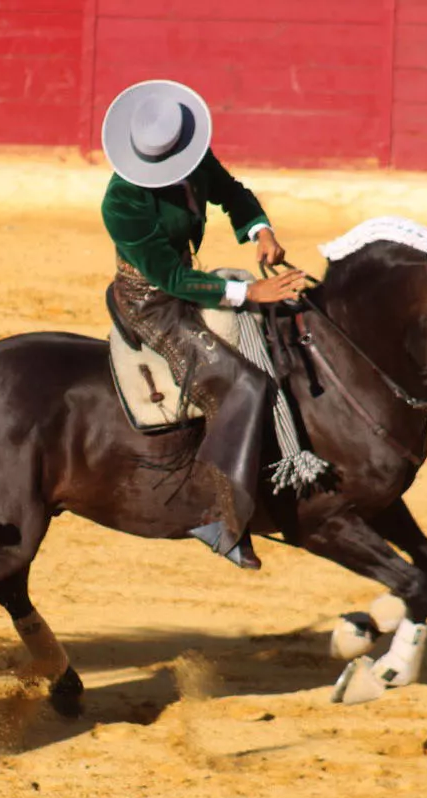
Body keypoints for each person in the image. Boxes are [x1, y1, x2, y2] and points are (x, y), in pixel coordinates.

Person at [100, 79, 307, 569]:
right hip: (152, 302)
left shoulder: (191, 155)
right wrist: (248, 291)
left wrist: (260, 229)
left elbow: (231, 192)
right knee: (243, 386)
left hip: (191, 282)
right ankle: (219, 513)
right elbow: (170, 277)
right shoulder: (122, 203)